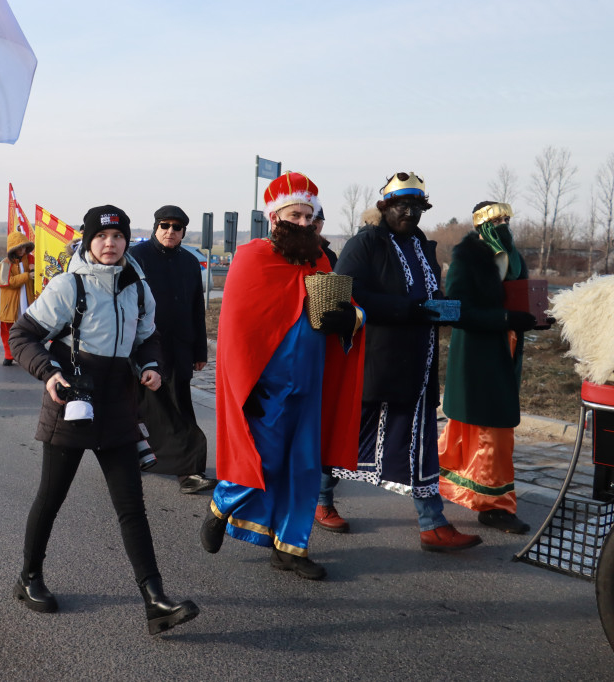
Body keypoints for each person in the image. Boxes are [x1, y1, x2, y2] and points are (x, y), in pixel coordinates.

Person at [8, 204, 199, 635]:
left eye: (117, 237)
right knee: (51, 498)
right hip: (72, 400)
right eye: (101, 237)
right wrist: (49, 372)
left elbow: (148, 336)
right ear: (89, 241)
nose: (110, 244)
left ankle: (155, 601)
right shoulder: (67, 286)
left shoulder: (137, 285)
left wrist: (149, 364)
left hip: (118, 403)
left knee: (132, 507)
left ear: (127, 241)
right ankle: (29, 577)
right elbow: (22, 336)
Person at [201, 172, 365, 581]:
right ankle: (223, 503)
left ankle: (291, 548)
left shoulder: (320, 260)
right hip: (265, 386)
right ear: (275, 216)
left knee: (304, 467)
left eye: (310, 216)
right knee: (267, 461)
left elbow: (347, 311)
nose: (306, 223)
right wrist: (244, 386)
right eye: (297, 214)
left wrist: (352, 317)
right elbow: (236, 331)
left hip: (310, 383)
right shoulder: (251, 258)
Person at [332, 172, 482, 552]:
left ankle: (432, 523)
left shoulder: (420, 244)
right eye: (403, 205)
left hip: (420, 360)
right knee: (349, 438)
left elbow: (428, 290)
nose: (410, 213)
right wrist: (408, 309)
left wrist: (442, 307)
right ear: (385, 207)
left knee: (419, 442)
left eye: (417, 207)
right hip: (379, 360)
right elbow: (345, 290)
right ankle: (319, 500)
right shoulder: (365, 243)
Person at [437, 201, 540, 534]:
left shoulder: (513, 257)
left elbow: (516, 299)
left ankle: (447, 482)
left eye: (507, 218)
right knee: (488, 430)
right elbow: (457, 310)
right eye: (497, 219)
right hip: (478, 355)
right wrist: (505, 319)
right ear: (481, 224)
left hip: (505, 349)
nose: (504, 223)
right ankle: (494, 505)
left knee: (492, 429)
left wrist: (532, 320)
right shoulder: (467, 258)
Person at [128, 205, 215, 495]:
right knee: (142, 409)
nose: (170, 231)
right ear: (156, 226)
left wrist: (200, 352)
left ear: (183, 232)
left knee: (179, 408)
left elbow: (196, 309)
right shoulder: (137, 258)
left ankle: (188, 470)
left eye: (176, 228)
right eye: (164, 225)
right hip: (143, 349)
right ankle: (139, 457)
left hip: (179, 349)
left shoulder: (190, 263)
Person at [0, 229, 36, 366]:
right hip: (10, 306)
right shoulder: (5, 263)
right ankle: (9, 355)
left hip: (28, 302)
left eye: (24, 247)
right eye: (19, 247)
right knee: (8, 331)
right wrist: (27, 276)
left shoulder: (32, 260)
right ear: (13, 248)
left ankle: (26, 355)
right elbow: (8, 282)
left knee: (29, 331)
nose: (22, 250)